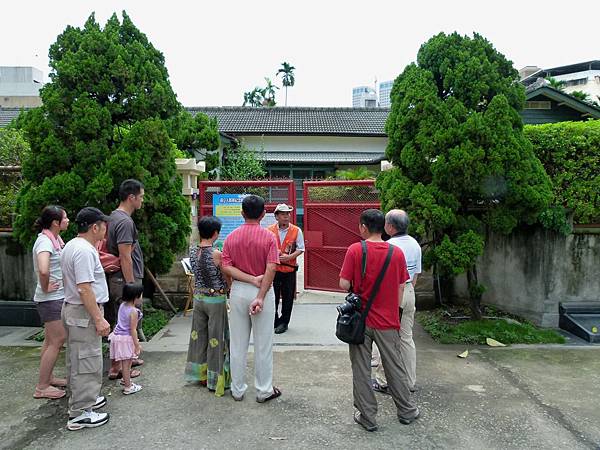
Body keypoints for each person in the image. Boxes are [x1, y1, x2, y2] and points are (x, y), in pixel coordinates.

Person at [339, 209, 419, 432]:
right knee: (395, 367)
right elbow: (402, 285)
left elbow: (344, 284)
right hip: (388, 321)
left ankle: (368, 418)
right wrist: (394, 312)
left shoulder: (355, 250)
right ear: (383, 227)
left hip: (360, 321)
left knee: (361, 370)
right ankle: (407, 411)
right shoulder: (396, 253)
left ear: (363, 227)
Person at [221, 195, 282, 403]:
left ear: (242, 213)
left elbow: (226, 266)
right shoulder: (269, 237)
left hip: (238, 291)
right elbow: (272, 266)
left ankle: (237, 389)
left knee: (238, 343)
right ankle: (264, 390)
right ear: (264, 214)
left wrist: (248, 279)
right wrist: (261, 294)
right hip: (263, 291)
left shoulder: (231, 237)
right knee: (263, 343)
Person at [61, 207, 111, 431]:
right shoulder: (84, 251)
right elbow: (85, 289)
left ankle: (83, 399)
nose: (105, 230)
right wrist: (99, 319)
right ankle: (81, 412)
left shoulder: (72, 245)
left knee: (77, 359)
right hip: (83, 311)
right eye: (103, 226)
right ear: (95, 227)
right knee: (87, 361)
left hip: (74, 309)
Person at [372, 209, 422, 394]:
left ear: (390, 226)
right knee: (406, 338)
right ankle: (409, 382)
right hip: (409, 291)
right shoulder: (415, 245)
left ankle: (384, 381)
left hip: (392, 294)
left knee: (388, 339)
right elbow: (415, 275)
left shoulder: (388, 246)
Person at [185, 216, 232, 396]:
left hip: (199, 299)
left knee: (199, 337)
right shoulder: (216, 253)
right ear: (215, 233)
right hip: (215, 299)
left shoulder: (192, 251)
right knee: (217, 339)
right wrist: (230, 287)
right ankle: (216, 379)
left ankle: (201, 375)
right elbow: (225, 276)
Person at [106, 179, 145, 380]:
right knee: (123, 324)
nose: (142, 201)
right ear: (131, 197)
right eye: (141, 196)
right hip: (124, 280)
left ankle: (126, 360)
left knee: (123, 322)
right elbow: (125, 256)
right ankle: (117, 368)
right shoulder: (124, 222)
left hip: (120, 279)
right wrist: (132, 287)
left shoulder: (115, 217)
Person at [32, 205, 69, 399]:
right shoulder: (45, 242)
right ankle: (42, 386)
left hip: (53, 298)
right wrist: (46, 286)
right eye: (65, 218)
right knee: (57, 340)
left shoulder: (53, 238)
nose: (68, 221)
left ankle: (48, 377)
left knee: (49, 341)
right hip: (50, 299)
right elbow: (44, 269)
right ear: (55, 222)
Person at [267, 203, 305, 334]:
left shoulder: (296, 230)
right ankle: (274, 321)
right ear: (276, 216)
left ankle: (284, 322)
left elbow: (301, 248)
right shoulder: (269, 230)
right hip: (274, 271)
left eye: (288, 214)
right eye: (283, 214)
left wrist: (289, 258)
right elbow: (265, 248)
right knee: (273, 297)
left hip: (289, 270)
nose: (286, 216)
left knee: (288, 298)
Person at [108, 282, 144, 395]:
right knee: (126, 363)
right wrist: (137, 345)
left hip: (117, 336)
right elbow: (133, 330)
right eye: (141, 295)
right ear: (136, 297)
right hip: (125, 339)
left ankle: (125, 379)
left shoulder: (123, 305)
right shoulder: (134, 311)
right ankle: (128, 387)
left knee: (125, 362)